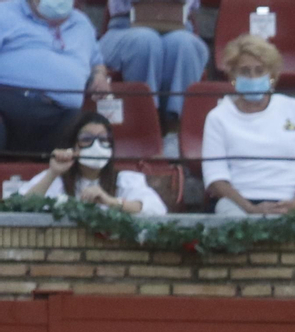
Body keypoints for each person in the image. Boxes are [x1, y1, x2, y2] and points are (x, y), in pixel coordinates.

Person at [201, 35, 295, 215]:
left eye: (259, 71)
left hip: (292, 200)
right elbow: (215, 178)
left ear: (272, 76)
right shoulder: (217, 117)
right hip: (241, 204)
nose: (252, 77)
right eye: (244, 71)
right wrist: (250, 209)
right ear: (233, 76)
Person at [97, 0, 208, 159]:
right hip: (123, 27)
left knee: (185, 45)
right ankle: (148, 126)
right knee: (145, 41)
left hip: (179, 26)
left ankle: (173, 131)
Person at [0, 0, 110, 153]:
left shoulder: (82, 23)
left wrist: (99, 76)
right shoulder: (4, 12)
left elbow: (96, 62)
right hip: (8, 104)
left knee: (86, 135)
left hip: (61, 114)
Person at [23, 110, 167, 214]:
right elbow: (20, 208)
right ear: (73, 145)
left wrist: (110, 202)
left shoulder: (125, 180)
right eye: (87, 139)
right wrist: (52, 173)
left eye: (103, 139)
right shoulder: (57, 179)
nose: (96, 146)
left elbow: (157, 209)